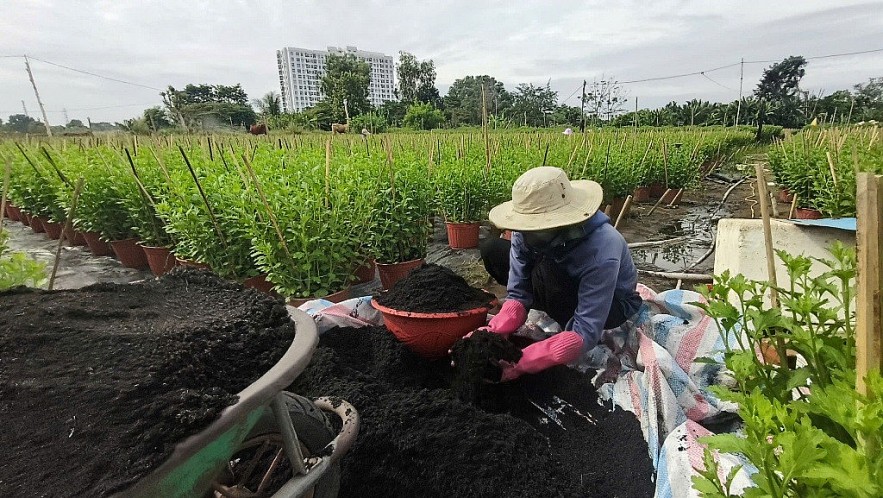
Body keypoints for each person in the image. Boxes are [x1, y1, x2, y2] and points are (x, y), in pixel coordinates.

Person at [478, 166, 641, 381]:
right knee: (493, 249)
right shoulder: (525, 233)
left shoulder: (602, 248)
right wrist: (492, 334)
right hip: (557, 282)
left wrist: (524, 360)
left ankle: (560, 318)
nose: (523, 233)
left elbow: (585, 330)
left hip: (612, 305)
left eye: (536, 228)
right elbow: (518, 292)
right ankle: (555, 308)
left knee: (546, 272)